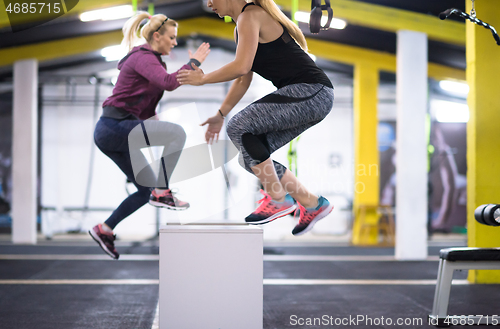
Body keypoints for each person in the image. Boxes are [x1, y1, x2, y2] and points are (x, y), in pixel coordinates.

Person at [177, 0, 334, 235]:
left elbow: (240, 67)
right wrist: (220, 115)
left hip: (311, 90)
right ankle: (312, 203)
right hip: (311, 95)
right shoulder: (241, 25)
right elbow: (243, 78)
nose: (208, 3)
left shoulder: (251, 15)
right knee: (250, 158)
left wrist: (203, 78)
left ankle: (278, 198)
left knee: (240, 126)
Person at [89, 11, 211, 259]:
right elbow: (167, 82)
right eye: (172, 37)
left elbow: (145, 107)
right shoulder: (142, 57)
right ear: (157, 36)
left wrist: (155, 123)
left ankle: (105, 229)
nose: (175, 42)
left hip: (118, 131)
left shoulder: (151, 61)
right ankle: (162, 190)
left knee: (144, 190)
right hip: (113, 127)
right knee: (176, 134)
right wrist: (194, 63)